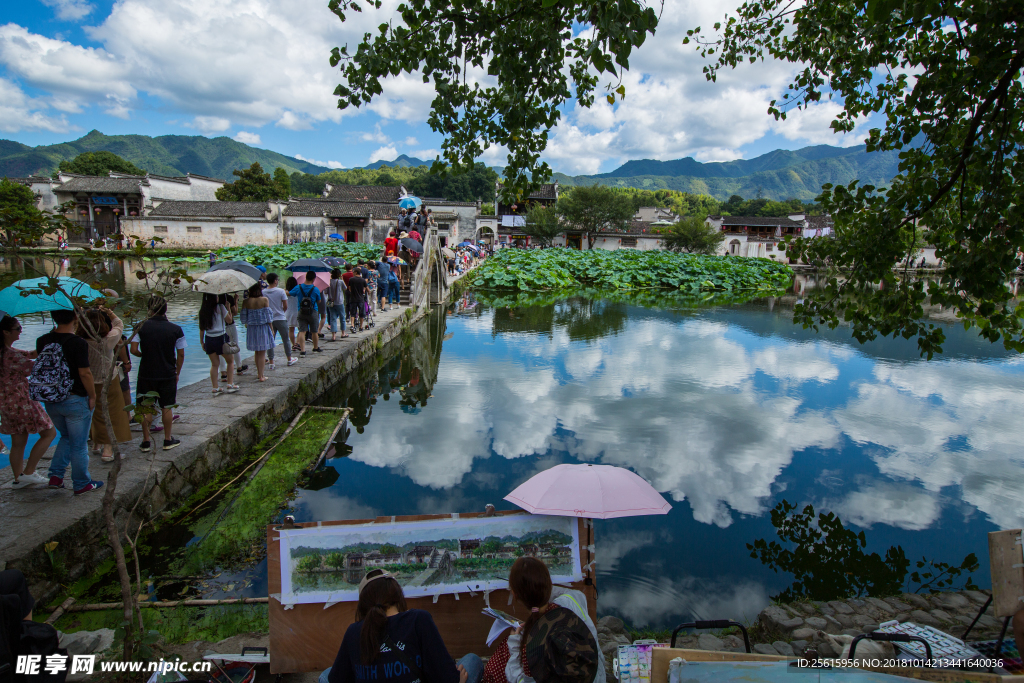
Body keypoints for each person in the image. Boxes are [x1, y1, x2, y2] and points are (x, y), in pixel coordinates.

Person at [321, 569, 481, 683]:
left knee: (326, 675)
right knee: (472, 660)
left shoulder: (354, 631)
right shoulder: (418, 619)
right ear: (397, 595)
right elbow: (448, 678)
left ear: (363, 605)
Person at [485, 557, 601, 683]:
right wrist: (539, 589)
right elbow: (579, 596)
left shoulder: (530, 646)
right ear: (549, 584)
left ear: (514, 594)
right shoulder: (571, 601)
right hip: (597, 678)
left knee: (501, 657)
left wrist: (514, 646)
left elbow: (519, 680)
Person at [34, 309, 101, 494]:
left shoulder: (42, 341)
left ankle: (55, 476)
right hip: (74, 398)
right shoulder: (77, 342)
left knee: (66, 436)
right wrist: (92, 396)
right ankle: (81, 483)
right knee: (79, 444)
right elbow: (84, 372)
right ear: (75, 318)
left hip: (51, 399)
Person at [0, 315, 56, 488]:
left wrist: (50, 338)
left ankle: (18, 479)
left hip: (5, 404)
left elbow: (31, 354)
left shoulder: (5, 352)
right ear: (6, 332)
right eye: (17, 328)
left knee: (18, 443)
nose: (21, 331)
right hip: (22, 401)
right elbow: (35, 367)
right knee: (49, 433)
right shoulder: (12, 356)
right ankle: (30, 471)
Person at [131, 295, 185, 452]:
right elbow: (180, 355)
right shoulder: (175, 329)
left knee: (146, 407)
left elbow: (133, 350)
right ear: (165, 310)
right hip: (167, 372)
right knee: (167, 407)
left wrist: (144, 355)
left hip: (146, 373)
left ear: (149, 309)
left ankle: (146, 441)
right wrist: (177, 372)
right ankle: (168, 440)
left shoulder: (140, 326)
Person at [77, 307, 131, 463]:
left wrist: (82, 314)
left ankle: (96, 443)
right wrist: (108, 311)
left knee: (95, 412)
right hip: (108, 379)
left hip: (88, 380)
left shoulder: (80, 341)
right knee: (112, 413)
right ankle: (108, 450)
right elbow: (119, 324)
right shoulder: (108, 339)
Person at [199, 293, 236, 394]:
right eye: (216, 296)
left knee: (214, 364)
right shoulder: (220, 307)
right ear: (214, 298)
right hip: (221, 338)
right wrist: (228, 308)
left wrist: (202, 342)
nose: (218, 297)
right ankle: (230, 384)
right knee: (230, 361)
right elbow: (229, 320)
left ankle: (215, 387)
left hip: (209, 338)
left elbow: (202, 328)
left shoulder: (203, 311)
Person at [240, 282, 274, 381]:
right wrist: (271, 329)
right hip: (262, 328)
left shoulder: (246, 301)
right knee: (262, 353)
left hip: (252, 328)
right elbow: (268, 318)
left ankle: (259, 374)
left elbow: (243, 319)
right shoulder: (264, 300)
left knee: (256, 352)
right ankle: (261, 375)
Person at [264, 273, 297, 367]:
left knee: (270, 340)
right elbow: (285, 306)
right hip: (281, 318)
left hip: (269, 319)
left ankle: (271, 362)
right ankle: (289, 359)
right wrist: (281, 312)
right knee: (286, 339)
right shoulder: (281, 291)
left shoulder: (263, 292)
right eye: (277, 279)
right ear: (275, 281)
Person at [290, 272, 323, 355]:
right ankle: (315, 347)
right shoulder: (315, 289)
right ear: (313, 279)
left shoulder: (298, 287)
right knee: (314, 331)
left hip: (301, 311)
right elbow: (319, 301)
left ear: (305, 277)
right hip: (313, 311)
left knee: (302, 331)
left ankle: (303, 350)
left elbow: (290, 293)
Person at [220, 294, 246, 377]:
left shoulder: (214, 301)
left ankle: (223, 372)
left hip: (220, 327)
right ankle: (239, 367)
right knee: (235, 345)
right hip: (230, 326)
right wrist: (235, 301)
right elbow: (234, 313)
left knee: (220, 350)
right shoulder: (228, 298)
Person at [326, 268, 347, 341]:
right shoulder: (340, 282)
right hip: (339, 302)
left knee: (333, 318)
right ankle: (343, 333)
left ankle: (333, 335)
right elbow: (345, 288)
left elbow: (326, 292)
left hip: (331, 302)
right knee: (342, 317)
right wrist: (342, 279)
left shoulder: (329, 282)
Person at [348, 267, 368, 332]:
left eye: (353, 272)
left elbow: (349, 288)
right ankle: (361, 326)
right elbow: (366, 288)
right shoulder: (363, 280)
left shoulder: (351, 279)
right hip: (360, 298)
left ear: (356, 272)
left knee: (353, 313)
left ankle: (352, 325)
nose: (353, 273)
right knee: (361, 313)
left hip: (353, 298)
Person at [285, 275, 300, 353]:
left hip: (288, 313)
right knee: (301, 329)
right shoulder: (298, 291)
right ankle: (297, 343)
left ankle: (293, 344)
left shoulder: (285, 292)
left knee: (291, 330)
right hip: (297, 312)